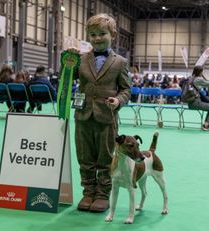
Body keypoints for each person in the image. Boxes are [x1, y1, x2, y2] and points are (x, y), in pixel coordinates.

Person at [67, 13, 131, 212]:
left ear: (112, 34)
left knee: (105, 157)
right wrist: (67, 61)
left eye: (101, 33)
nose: (97, 38)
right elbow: (66, 79)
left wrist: (118, 100)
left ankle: (103, 194)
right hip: (82, 115)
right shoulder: (80, 59)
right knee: (84, 156)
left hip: (107, 117)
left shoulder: (120, 62)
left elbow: (126, 90)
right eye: (92, 35)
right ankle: (88, 192)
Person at [188, 65, 209, 131]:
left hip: (191, 102)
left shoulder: (191, 78)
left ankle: (206, 124)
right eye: (202, 71)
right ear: (200, 71)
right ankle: (206, 125)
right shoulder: (198, 79)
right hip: (196, 103)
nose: (203, 72)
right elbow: (208, 83)